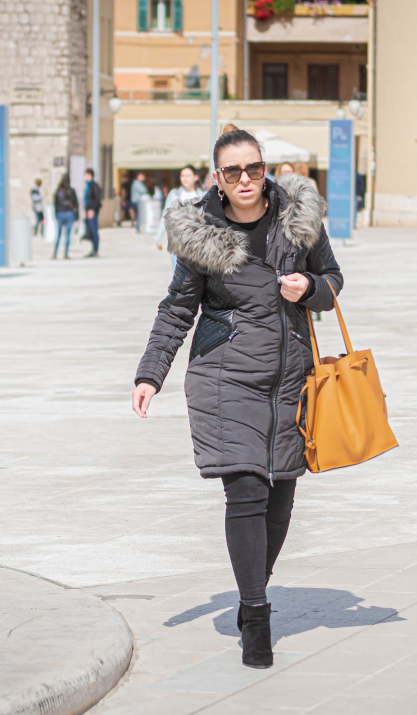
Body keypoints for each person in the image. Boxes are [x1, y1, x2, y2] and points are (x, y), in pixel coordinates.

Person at [131, 125, 342, 670]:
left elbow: (333, 279)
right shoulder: (200, 236)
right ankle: (256, 612)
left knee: (280, 499)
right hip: (224, 377)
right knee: (246, 489)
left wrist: (311, 290)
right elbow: (177, 308)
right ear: (218, 180)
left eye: (253, 168)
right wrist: (150, 374)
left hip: (289, 377)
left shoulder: (299, 222)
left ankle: (253, 585)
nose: (245, 178)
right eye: (233, 172)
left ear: (265, 170)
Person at [156, 164, 204, 272]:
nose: (185, 178)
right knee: (178, 275)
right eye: (183, 176)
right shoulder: (174, 195)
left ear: (195, 177)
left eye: (188, 175)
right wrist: (158, 237)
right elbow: (166, 215)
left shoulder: (203, 196)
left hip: (197, 242)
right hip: (177, 241)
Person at [52, 172, 79, 260]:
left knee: (58, 234)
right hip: (69, 214)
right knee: (67, 235)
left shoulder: (58, 191)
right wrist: (76, 215)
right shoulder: (71, 191)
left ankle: (55, 253)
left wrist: (56, 214)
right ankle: (65, 254)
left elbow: (55, 204)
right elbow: (76, 204)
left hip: (60, 213)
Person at [83, 168, 103, 258]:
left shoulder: (93, 186)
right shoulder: (88, 185)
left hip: (92, 210)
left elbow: (96, 199)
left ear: (89, 175)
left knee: (94, 229)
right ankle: (93, 249)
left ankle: (95, 250)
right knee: (90, 229)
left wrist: (92, 209)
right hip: (88, 210)